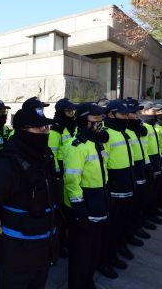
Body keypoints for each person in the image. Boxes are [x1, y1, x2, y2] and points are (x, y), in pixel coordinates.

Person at [0, 97, 60, 289]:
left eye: (47, 128)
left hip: (44, 249)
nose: (45, 132)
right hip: (18, 254)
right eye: (39, 129)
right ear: (23, 130)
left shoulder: (45, 156)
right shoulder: (6, 165)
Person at [63, 102, 109, 289]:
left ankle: (88, 282)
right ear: (83, 120)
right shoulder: (76, 146)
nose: (100, 121)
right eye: (95, 118)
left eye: (101, 118)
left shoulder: (95, 141)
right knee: (80, 254)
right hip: (84, 207)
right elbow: (72, 182)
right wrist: (80, 211)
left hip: (98, 202)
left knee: (93, 251)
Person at [98, 100, 138, 279]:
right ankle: (105, 260)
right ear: (112, 114)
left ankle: (118, 250)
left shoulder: (122, 132)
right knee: (110, 229)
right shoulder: (105, 134)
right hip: (113, 191)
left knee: (122, 223)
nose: (126, 117)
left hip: (126, 186)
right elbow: (101, 165)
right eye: (122, 114)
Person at [49, 98, 77, 258]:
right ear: (60, 112)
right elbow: (52, 153)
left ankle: (68, 240)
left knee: (69, 209)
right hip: (61, 174)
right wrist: (57, 173)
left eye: (73, 111)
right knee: (61, 212)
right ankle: (61, 244)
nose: (71, 114)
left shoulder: (72, 127)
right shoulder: (56, 129)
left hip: (72, 171)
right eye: (68, 111)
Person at [124, 98, 152, 240]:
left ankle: (137, 225)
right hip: (130, 170)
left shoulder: (136, 127)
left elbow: (142, 147)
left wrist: (147, 164)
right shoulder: (125, 129)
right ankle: (131, 230)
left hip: (140, 167)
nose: (138, 114)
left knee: (140, 199)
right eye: (135, 112)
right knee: (132, 205)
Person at [139, 102, 162, 225]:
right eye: (151, 110)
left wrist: (160, 157)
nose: (155, 112)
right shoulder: (144, 125)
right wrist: (148, 164)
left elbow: (156, 145)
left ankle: (152, 212)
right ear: (143, 112)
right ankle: (146, 217)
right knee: (148, 192)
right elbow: (143, 149)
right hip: (149, 163)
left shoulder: (151, 125)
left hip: (155, 160)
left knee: (154, 190)